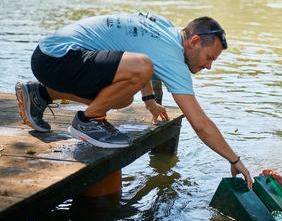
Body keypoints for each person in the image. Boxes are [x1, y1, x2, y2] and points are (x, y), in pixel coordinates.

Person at [15, 12, 253, 188]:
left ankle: (41, 94)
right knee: (141, 67)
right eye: (209, 57)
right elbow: (200, 124)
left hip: (50, 56)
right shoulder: (173, 58)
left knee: (122, 99)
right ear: (194, 41)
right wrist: (234, 159)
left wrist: (149, 99)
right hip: (58, 58)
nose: (209, 66)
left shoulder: (165, 28)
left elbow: (135, 49)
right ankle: (87, 121)